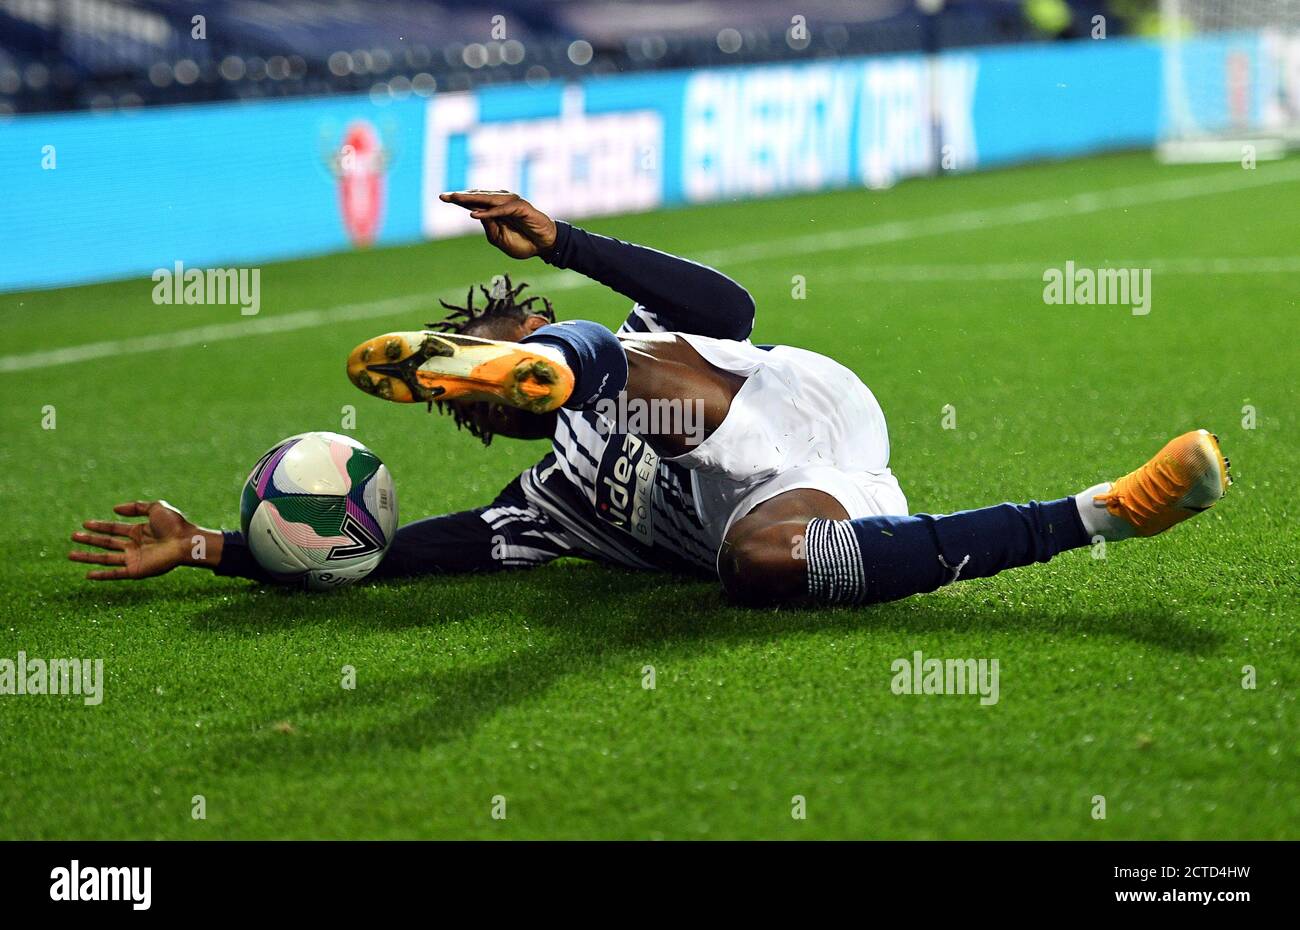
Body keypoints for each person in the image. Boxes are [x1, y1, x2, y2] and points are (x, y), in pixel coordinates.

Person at [69, 191, 1231, 606]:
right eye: (476, 383)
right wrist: (214, 547)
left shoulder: (639, 328)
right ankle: (1105, 510)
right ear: (479, 413)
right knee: (757, 574)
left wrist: (567, 242)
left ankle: (575, 366)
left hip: (775, 402)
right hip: (809, 503)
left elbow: (729, 303)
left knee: (635, 378)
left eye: (491, 349)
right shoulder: (545, 508)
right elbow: (382, 554)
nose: (484, 382)